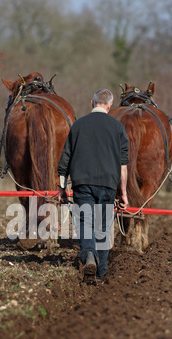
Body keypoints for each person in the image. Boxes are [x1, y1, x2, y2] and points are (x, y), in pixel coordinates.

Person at [57, 88, 129, 284]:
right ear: (110, 105)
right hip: (107, 184)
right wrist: (123, 193)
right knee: (103, 226)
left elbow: (64, 162)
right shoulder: (118, 127)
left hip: (82, 183)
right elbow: (123, 166)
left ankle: (89, 254)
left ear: (92, 103)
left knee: (84, 221)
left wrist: (62, 188)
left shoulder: (78, 125)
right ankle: (100, 271)